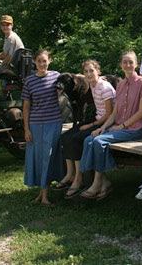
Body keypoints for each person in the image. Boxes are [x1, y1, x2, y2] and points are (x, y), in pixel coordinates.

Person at [78, 51, 142, 200]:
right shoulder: (121, 85)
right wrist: (102, 128)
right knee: (89, 139)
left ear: (136, 64)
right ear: (121, 65)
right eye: (125, 62)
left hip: (134, 128)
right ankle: (103, 181)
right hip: (118, 126)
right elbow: (114, 112)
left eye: (131, 62)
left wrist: (122, 126)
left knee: (99, 141)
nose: (128, 65)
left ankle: (98, 181)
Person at [58, 60, 115, 198]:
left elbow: (109, 114)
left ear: (98, 71)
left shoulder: (104, 87)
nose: (89, 74)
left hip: (106, 122)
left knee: (77, 139)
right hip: (97, 119)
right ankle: (70, 174)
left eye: (92, 71)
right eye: (86, 72)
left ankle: (79, 179)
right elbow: (78, 77)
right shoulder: (92, 83)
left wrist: (90, 125)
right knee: (65, 136)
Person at [22, 50, 63, 207]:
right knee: (37, 159)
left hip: (53, 123)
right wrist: (26, 129)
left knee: (48, 158)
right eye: (39, 61)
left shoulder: (56, 76)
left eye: (44, 61)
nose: (42, 64)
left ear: (50, 61)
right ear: (34, 62)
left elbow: (70, 84)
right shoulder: (29, 81)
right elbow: (26, 107)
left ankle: (45, 195)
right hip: (35, 125)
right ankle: (41, 194)